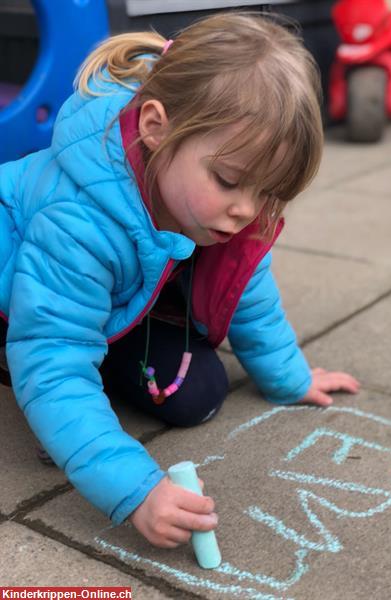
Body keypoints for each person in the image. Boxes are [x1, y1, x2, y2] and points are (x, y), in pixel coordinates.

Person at [0, 12, 359, 550]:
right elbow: (52, 358)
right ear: (155, 126)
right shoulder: (80, 222)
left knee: (199, 394)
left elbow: (249, 292)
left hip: (105, 294)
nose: (246, 210)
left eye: (269, 193)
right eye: (230, 181)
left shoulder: (228, 199)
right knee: (54, 374)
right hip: (27, 298)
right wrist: (134, 489)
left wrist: (290, 377)